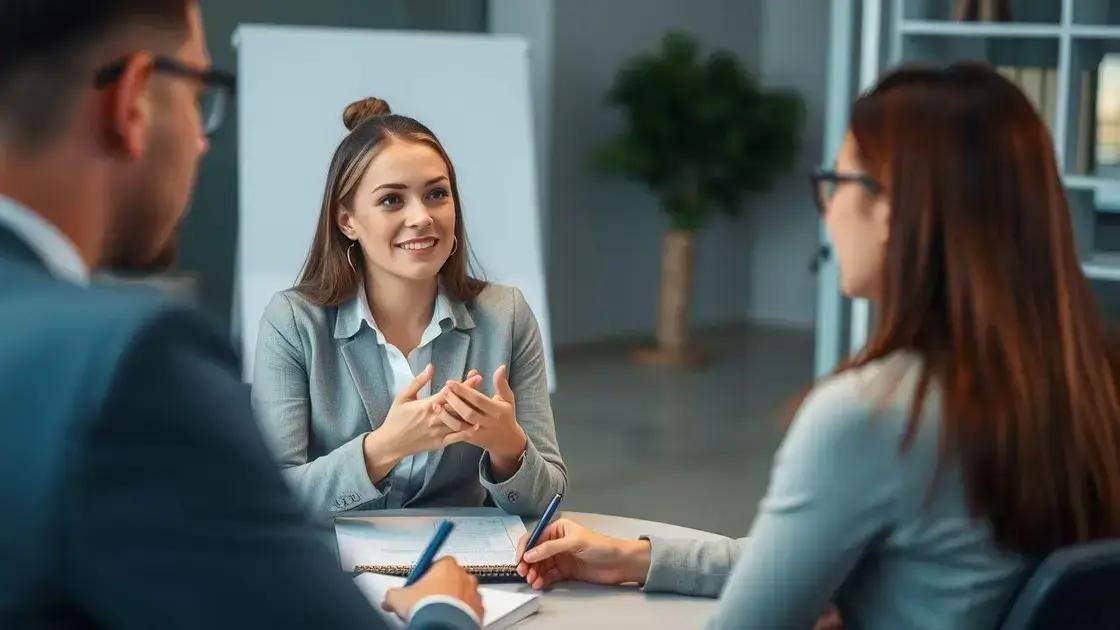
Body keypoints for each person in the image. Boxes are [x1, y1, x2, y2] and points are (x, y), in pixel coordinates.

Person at [514, 63, 1120, 629]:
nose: (827, 208)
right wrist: (637, 557)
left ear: (894, 210)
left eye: (837, 180)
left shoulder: (875, 416)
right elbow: (813, 560)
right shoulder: (1087, 385)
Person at [0, 1, 483, 627]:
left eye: (436, 193)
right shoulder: (133, 361)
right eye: (198, 95)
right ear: (133, 102)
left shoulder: (498, 313)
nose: (203, 140)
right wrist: (444, 606)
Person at [251, 97, 567, 520]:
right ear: (347, 221)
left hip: (455, 557)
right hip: (332, 559)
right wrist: (383, 449)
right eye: (392, 200)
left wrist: (508, 446)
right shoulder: (292, 322)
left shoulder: (506, 315)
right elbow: (268, 500)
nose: (421, 217)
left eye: (436, 194)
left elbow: (546, 502)